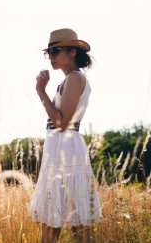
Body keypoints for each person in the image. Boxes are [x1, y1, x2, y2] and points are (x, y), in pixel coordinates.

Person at [27, 28, 103, 243]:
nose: (51, 56)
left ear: (72, 52)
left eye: (56, 50)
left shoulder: (76, 78)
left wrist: (41, 92)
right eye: (48, 52)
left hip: (66, 148)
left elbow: (62, 123)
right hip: (59, 148)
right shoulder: (69, 80)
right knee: (54, 219)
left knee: (73, 222)